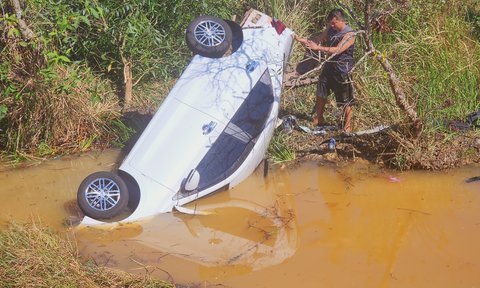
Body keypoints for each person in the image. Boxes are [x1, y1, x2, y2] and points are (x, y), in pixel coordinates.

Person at [295, 8, 356, 132]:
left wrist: (318, 48)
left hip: (342, 69)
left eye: (334, 23)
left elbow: (338, 49)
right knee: (321, 91)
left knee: (345, 99)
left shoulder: (350, 34)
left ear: (341, 21)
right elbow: (318, 39)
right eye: (330, 23)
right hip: (329, 66)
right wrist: (303, 40)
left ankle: (347, 126)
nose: (332, 25)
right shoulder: (330, 28)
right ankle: (319, 119)